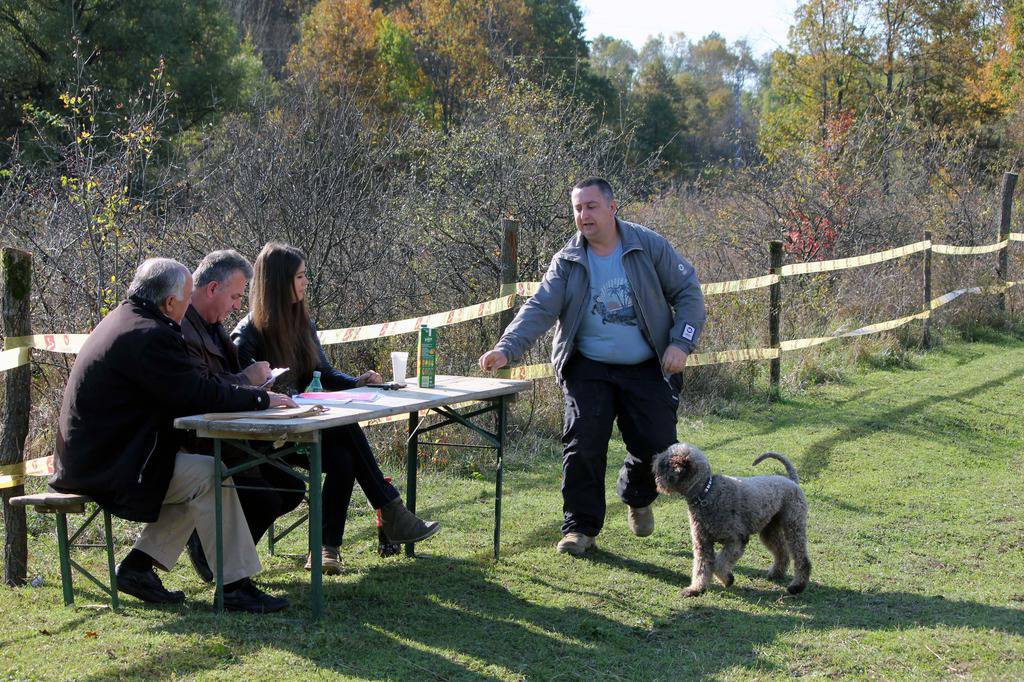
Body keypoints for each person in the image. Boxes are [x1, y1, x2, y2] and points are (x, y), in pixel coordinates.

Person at [51, 258, 296, 612]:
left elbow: (189, 392)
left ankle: (137, 568)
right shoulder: (152, 335)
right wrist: (261, 397)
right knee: (209, 474)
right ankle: (235, 585)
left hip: (97, 459)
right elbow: (196, 394)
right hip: (110, 467)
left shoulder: (126, 321)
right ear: (169, 303)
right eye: (186, 298)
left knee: (195, 471)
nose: (188, 307)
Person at [478, 177, 707, 556]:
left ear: (612, 208)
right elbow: (539, 308)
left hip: (647, 364)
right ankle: (579, 530)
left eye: (591, 206)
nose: (583, 215)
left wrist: (681, 343)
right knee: (583, 444)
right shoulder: (568, 260)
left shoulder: (647, 246)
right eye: (577, 208)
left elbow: (689, 293)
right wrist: (507, 349)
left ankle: (637, 494)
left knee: (658, 447)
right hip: (588, 367)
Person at [231, 242, 440, 574]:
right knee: (345, 434)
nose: (305, 282)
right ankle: (390, 509)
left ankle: (326, 551)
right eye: (300, 276)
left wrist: (357, 382)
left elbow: (323, 374)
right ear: (279, 281)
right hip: (265, 436)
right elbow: (241, 393)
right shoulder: (248, 334)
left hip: (300, 426)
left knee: (343, 458)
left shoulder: (302, 323)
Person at [180, 249, 305, 582]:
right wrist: (250, 383)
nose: (237, 305)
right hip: (204, 440)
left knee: (291, 487)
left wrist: (258, 379)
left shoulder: (213, 325)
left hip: (236, 434)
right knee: (265, 499)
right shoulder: (183, 329)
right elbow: (201, 390)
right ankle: (225, 566)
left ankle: (222, 556)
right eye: (235, 296)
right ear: (212, 289)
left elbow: (231, 376)